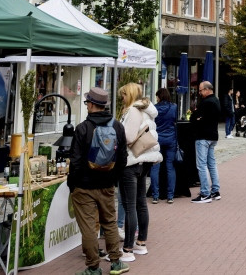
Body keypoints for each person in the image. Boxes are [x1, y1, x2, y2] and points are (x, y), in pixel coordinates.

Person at [68, 87, 129, 275]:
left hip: (84, 186)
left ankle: (93, 267)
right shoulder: (117, 126)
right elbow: (123, 158)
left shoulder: (83, 128)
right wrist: (113, 178)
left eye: (87, 102)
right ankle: (116, 263)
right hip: (107, 184)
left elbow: (75, 161)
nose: (86, 105)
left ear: (92, 104)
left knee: (88, 228)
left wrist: (73, 183)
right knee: (110, 222)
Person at [118, 83, 161, 262]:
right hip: (145, 160)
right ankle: (141, 243)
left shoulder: (133, 111)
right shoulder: (146, 110)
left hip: (131, 160)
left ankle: (127, 249)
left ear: (129, 94)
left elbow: (128, 137)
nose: (122, 98)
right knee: (140, 202)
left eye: (123, 95)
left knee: (130, 205)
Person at [190, 81, 221, 203]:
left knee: (201, 165)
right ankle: (215, 190)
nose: (200, 92)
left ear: (207, 90)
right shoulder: (216, 100)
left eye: (201, 90)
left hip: (203, 136)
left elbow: (195, 117)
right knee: (211, 164)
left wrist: (196, 119)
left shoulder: (206, 102)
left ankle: (205, 193)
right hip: (213, 135)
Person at [149, 88, 178, 204]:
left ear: (159, 97)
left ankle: (155, 195)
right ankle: (170, 196)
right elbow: (175, 121)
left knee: (155, 167)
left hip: (157, 139)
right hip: (171, 139)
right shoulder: (174, 107)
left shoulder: (154, 108)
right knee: (170, 167)